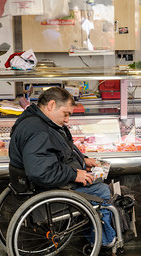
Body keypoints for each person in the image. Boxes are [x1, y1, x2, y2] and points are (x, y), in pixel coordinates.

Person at [8, 87, 115, 245]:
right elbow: (40, 171)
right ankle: (105, 242)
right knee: (103, 192)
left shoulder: (38, 121)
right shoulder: (39, 131)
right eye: (66, 114)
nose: (67, 120)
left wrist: (82, 160)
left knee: (98, 184)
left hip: (44, 186)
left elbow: (55, 152)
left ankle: (98, 237)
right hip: (47, 191)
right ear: (51, 105)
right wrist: (74, 174)